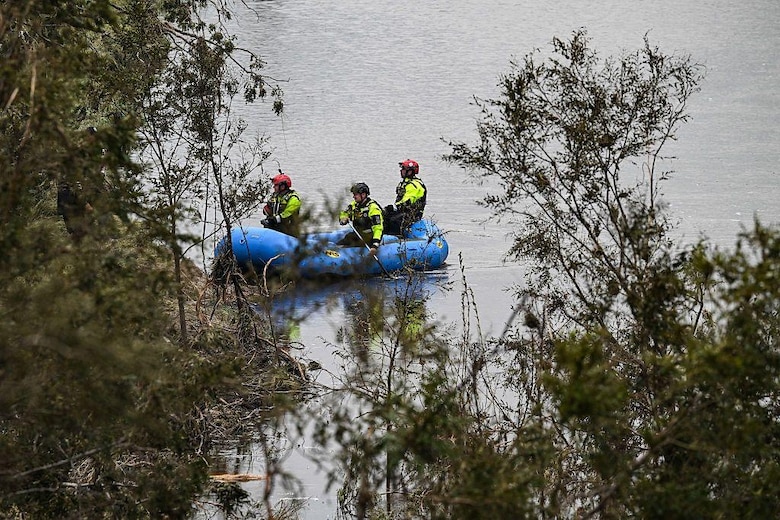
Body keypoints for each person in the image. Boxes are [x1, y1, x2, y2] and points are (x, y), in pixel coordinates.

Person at [338, 182, 384, 255]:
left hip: (369, 238)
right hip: (358, 235)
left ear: (363, 195)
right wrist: (344, 218)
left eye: (355, 195)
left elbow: (378, 228)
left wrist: (374, 245)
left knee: (350, 240)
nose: (354, 197)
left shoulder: (373, 208)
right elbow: (344, 213)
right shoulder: (354, 205)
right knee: (345, 240)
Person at [384, 158, 427, 235]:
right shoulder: (405, 182)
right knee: (385, 214)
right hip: (404, 211)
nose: (401, 171)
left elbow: (406, 202)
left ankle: (395, 237)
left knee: (393, 220)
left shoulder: (414, 185)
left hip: (412, 214)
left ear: (410, 171)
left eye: (403, 169)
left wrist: (397, 205)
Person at [261, 172, 302, 237]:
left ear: (282, 186)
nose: (274, 187)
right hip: (274, 229)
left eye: (276, 185)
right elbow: (268, 208)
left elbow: (287, 214)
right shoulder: (275, 196)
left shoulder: (294, 199)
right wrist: (266, 211)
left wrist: (273, 220)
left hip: (288, 232)